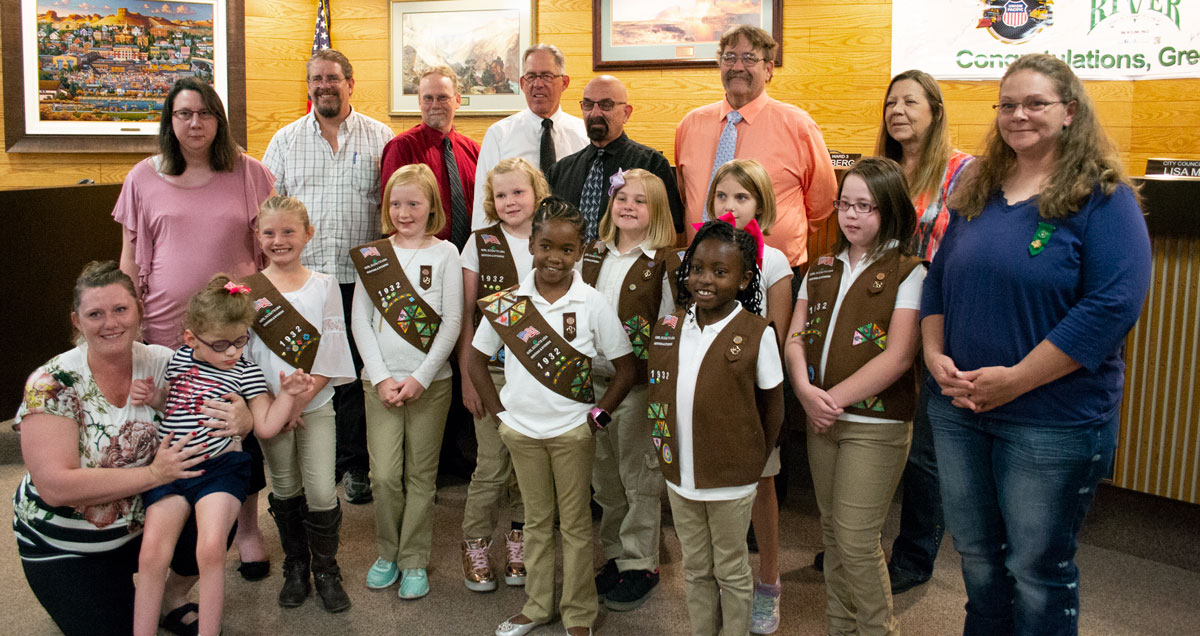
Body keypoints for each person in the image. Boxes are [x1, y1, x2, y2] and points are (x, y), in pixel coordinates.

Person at [924, 53, 1151, 635]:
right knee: (976, 558)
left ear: (1070, 112)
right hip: (959, 409)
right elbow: (939, 282)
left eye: (1035, 103)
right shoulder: (979, 188)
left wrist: (1016, 379)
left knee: (1036, 571)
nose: (1017, 115)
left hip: (1050, 420)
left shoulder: (1105, 197)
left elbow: (1110, 309)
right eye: (1007, 105)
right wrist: (932, 356)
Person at [13, 262, 251, 636]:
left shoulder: (165, 362)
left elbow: (225, 409)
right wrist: (155, 474)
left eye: (120, 310)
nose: (111, 323)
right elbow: (55, 487)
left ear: (139, 310)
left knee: (220, 497)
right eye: (96, 314)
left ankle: (172, 596)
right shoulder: (52, 383)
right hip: (68, 543)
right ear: (77, 320)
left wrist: (244, 418)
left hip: (144, 520)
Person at [113, 74, 276, 617]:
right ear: (170, 120)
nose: (195, 123)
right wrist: (130, 324)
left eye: (205, 113)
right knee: (175, 429)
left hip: (234, 333)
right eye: (184, 114)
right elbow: (132, 257)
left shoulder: (249, 173)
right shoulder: (143, 177)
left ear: (219, 119)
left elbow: (271, 249)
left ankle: (247, 529)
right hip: (166, 330)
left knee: (235, 427)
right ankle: (164, 541)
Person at [469, 198, 635, 636]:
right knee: (536, 523)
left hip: (572, 433)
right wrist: (502, 415)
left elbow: (626, 368)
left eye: (566, 249)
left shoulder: (593, 303)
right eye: (545, 246)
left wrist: (598, 416)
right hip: (521, 432)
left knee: (578, 525)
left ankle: (579, 614)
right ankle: (539, 605)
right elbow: (475, 360)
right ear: (531, 246)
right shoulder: (508, 304)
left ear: (580, 251)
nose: (554, 258)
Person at [786, 157, 926, 636]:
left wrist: (830, 399)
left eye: (865, 206)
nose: (851, 215)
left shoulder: (910, 271)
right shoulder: (822, 266)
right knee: (830, 535)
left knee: (856, 539)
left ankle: (878, 629)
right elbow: (795, 337)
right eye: (846, 204)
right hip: (820, 418)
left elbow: (899, 357)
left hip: (875, 426)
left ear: (889, 211)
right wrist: (805, 391)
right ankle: (840, 628)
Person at [131, 274, 313, 636]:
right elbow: (173, 404)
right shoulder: (179, 360)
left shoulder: (246, 372)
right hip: (173, 466)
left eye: (240, 340)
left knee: (211, 549)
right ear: (190, 339)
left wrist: (290, 396)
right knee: (152, 555)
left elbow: (264, 425)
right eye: (220, 344)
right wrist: (153, 398)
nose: (232, 351)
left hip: (221, 470)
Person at [263, 49, 395, 507]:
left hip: (362, 281)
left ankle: (355, 465)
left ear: (350, 83)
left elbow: (393, 207)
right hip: (304, 283)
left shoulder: (381, 137)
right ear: (309, 86)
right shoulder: (284, 140)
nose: (324, 86)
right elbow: (268, 210)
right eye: (316, 79)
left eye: (333, 78)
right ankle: (308, 459)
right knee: (305, 371)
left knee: (353, 374)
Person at [648, 220, 784, 636]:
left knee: (730, 569)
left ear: (744, 280)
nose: (705, 280)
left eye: (720, 273)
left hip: (731, 479)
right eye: (697, 269)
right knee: (696, 569)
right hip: (681, 475)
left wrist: (749, 461)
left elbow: (774, 410)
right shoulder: (671, 326)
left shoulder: (757, 333)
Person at [874, 69, 973, 595]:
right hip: (879, 319)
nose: (898, 111)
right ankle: (860, 542)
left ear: (934, 110)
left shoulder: (966, 173)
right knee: (878, 432)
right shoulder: (880, 171)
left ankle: (914, 555)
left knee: (925, 450)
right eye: (891, 102)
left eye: (911, 102)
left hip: (938, 321)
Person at [351, 164, 464, 600]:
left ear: (431, 206)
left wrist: (420, 377)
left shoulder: (446, 254)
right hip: (379, 383)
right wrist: (380, 378)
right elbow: (361, 320)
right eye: (396, 204)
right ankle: (387, 552)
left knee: (421, 475)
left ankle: (414, 559)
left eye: (414, 203)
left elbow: (453, 321)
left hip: (431, 384)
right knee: (383, 476)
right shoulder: (374, 256)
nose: (404, 212)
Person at [244, 196, 358, 612]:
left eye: (289, 231)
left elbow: (331, 354)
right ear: (257, 237)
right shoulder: (244, 291)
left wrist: (294, 405)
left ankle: (327, 569)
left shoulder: (325, 284)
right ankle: (296, 565)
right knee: (286, 488)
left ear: (308, 234)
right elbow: (242, 358)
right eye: (269, 232)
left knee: (322, 491)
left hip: (315, 407)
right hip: (268, 410)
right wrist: (275, 409)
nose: (279, 240)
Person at [580, 169, 676, 611]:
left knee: (639, 477)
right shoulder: (593, 256)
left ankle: (642, 562)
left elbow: (671, 331)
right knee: (606, 479)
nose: (628, 206)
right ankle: (617, 556)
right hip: (595, 385)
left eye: (640, 201)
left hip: (638, 388)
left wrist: (663, 390)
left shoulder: (665, 263)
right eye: (622, 198)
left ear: (656, 212)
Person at [704, 158, 792, 634]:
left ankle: (769, 582)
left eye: (742, 197)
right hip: (707, 390)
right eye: (722, 196)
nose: (730, 206)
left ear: (760, 204)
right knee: (717, 489)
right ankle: (727, 582)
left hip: (752, 392)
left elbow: (774, 337)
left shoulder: (772, 261)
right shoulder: (698, 252)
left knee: (761, 484)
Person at [674, 25, 837, 274]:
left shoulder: (798, 125)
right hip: (704, 267)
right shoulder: (690, 124)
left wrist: (781, 231)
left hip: (773, 271)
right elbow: (687, 195)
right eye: (729, 57)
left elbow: (822, 203)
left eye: (750, 58)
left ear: (768, 69)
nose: (738, 66)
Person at [456, 157, 550, 592]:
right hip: (490, 371)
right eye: (501, 194)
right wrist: (466, 375)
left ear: (536, 193)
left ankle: (519, 540)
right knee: (492, 465)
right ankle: (475, 542)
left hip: (540, 372)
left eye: (518, 192)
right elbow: (466, 316)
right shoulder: (479, 242)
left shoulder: (553, 238)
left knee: (527, 465)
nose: (510, 201)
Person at [546, 75, 684, 242]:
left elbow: (671, 229)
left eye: (606, 105)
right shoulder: (561, 170)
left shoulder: (652, 164)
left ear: (626, 113)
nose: (595, 113)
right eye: (588, 105)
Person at [471, 44, 588, 230]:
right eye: (531, 76)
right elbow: (483, 203)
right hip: (514, 246)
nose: (538, 84)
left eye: (547, 76)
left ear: (564, 83)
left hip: (570, 245)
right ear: (523, 84)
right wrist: (485, 250)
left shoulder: (584, 134)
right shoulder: (499, 134)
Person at [381, 66, 480, 251]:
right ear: (419, 102)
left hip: (470, 258)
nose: (435, 105)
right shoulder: (401, 147)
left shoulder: (474, 151)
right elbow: (392, 213)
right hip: (421, 259)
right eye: (428, 98)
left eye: (442, 97)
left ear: (457, 100)